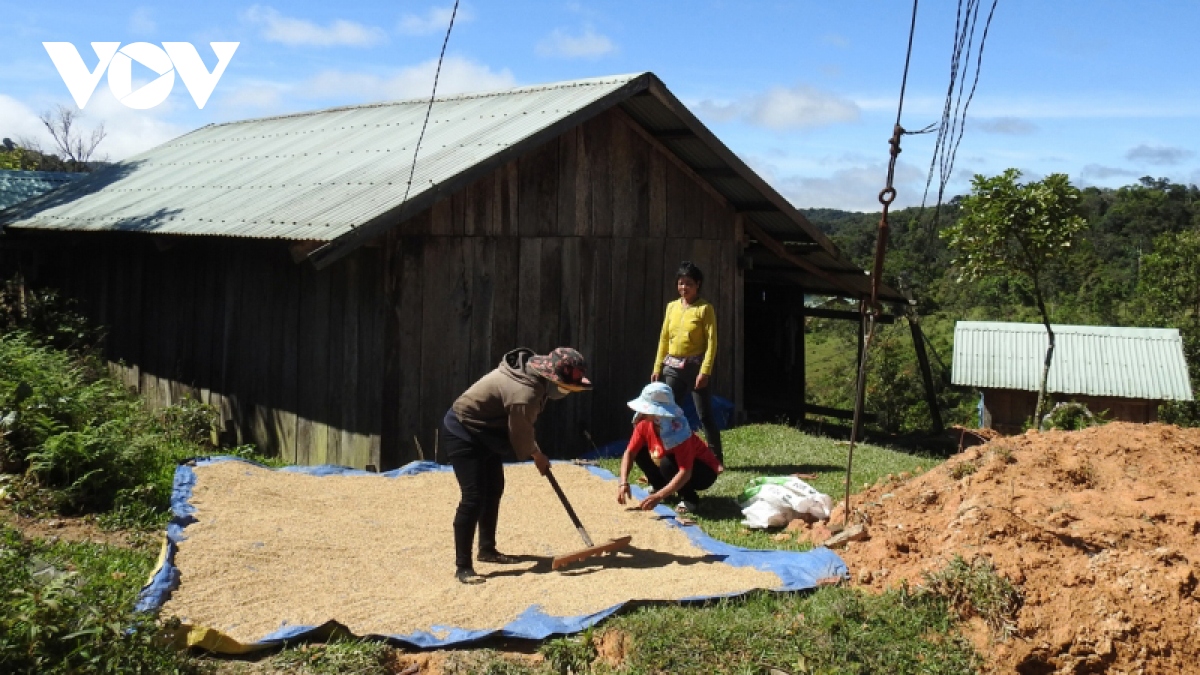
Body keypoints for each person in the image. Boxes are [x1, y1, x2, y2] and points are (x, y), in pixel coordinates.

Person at [441, 347, 592, 584]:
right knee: (473, 497)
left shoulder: (532, 375)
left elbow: (521, 427)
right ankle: (463, 567)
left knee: (494, 489)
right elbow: (520, 434)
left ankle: (487, 550)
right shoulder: (526, 393)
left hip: (489, 431)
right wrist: (537, 455)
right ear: (552, 378)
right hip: (464, 430)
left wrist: (534, 451)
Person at [651, 261, 723, 461]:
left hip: (695, 368)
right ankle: (668, 456)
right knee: (669, 413)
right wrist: (657, 366)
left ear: (698, 284)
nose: (684, 288)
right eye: (681, 283)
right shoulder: (671, 307)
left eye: (689, 283)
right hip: (672, 367)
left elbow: (711, 342)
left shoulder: (704, 309)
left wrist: (705, 371)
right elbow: (664, 338)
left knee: (705, 415)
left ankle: (715, 458)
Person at [616, 382, 724, 514]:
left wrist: (659, 497)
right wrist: (623, 482)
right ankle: (659, 486)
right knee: (640, 452)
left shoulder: (680, 432)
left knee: (668, 463)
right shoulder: (644, 424)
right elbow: (630, 452)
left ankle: (690, 499)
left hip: (701, 472)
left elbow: (685, 472)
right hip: (671, 465)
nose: (642, 413)